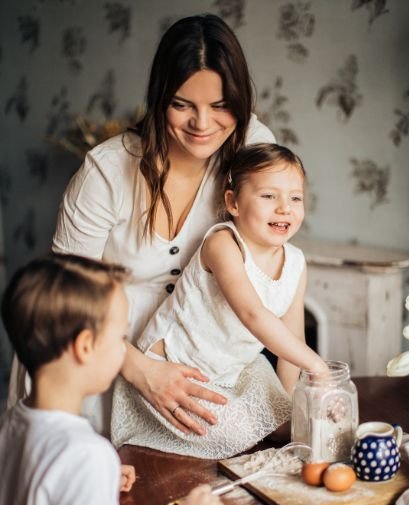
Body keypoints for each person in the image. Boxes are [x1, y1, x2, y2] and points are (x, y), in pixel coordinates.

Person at [7, 14, 277, 439]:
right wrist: (142, 369)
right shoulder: (107, 172)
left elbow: (276, 252)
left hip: (189, 365)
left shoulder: (251, 147)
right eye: (182, 104)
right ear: (159, 98)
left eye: (220, 105)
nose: (202, 124)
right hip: (89, 363)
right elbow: (64, 304)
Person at [0, 254, 225, 505]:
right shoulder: (85, 454)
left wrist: (92, 483)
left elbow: (35, 501)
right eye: (120, 338)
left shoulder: (14, 420)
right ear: (85, 347)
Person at [112, 143, 328, 459]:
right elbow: (253, 314)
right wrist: (317, 365)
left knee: (287, 415)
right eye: (269, 196)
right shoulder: (223, 243)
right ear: (234, 202)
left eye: (295, 198)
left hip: (231, 371)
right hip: (172, 368)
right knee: (239, 432)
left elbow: (292, 338)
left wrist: (287, 406)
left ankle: (274, 422)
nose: (284, 208)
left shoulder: (296, 262)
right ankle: (150, 426)